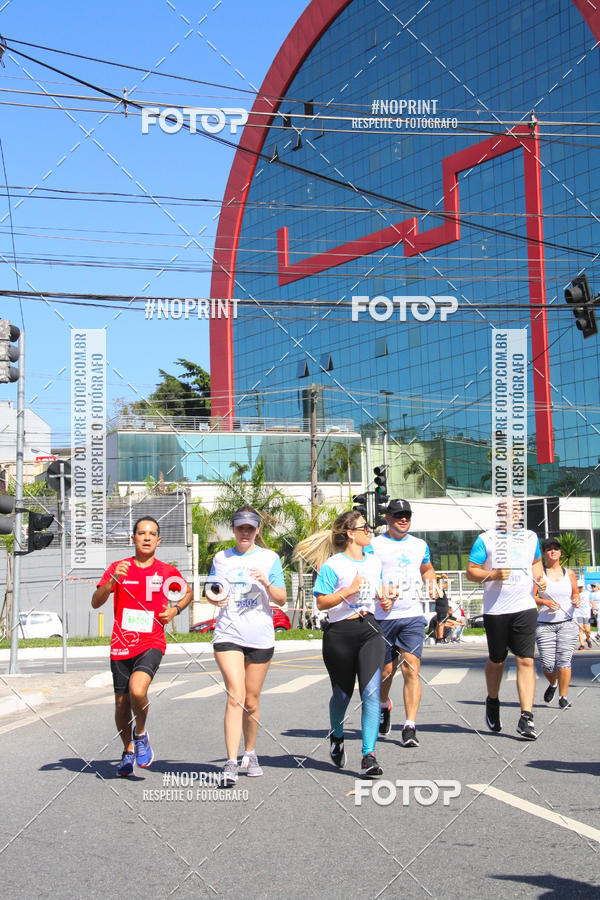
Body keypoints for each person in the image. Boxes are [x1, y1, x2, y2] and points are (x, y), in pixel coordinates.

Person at [92, 516, 192, 776]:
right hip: (121, 644)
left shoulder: (167, 571)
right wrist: (113, 580)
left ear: (159, 540)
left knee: (138, 690)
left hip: (151, 641)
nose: (146, 537)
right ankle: (128, 751)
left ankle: (141, 733)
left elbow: (188, 592)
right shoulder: (119, 567)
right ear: (133, 538)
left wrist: (174, 610)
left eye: (152, 534)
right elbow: (96, 601)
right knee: (121, 704)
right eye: (141, 533)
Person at [294, 510, 385, 777]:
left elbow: (376, 593)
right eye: (364, 527)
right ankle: (337, 735)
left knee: (370, 693)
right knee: (342, 695)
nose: (369, 531)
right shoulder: (334, 565)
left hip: (370, 629)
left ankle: (368, 755)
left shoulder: (374, 562)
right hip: (339, 634)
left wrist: (386, 599)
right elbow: (322, 602)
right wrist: (349, 590)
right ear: (350, 534)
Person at [207, 506, 286, 786]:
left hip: (260, 636)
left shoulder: (269, 558)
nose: (245, 532)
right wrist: (216, 599)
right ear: (234, 529)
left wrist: (265, 582)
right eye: (240, 527)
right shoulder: (221, 558)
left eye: (250, 528)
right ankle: (230, 762)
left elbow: (281, 599)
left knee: (251, 700)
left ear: (257, 530)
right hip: (228, 633)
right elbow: (212, 591)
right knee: (236, 694)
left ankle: (250, 752)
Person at [466, 498, 546, 740]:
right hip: (496, 610)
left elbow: (536, 562)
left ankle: (526, 717)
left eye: (516, 510)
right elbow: (471, 571)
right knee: (497, 661)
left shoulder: (531, 537)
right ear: (499, 514)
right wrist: (493, 574)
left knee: (526, 661)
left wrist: (539, 578)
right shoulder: (486, 539)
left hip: (525, 607)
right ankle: (492, 700)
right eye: (507, 510)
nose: (512, 514)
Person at [371, 499, 437, 748]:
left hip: (411, 615)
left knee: (411, 668)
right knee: (387, 672)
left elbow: (427, 568)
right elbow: (366, 575)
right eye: (398, 514)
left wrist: (431, 583)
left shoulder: (420, 545)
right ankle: (384, 705)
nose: (404, 518)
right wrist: (381, 595)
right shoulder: (375, 545)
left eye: (407, 514)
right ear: (387, 518)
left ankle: (410, 725)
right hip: (383, 617)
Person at [535, 537, 580, 709]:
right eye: (549, 549)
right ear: (544, 554)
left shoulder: (569, 573)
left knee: (564, 661)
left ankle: (563, 696)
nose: (553, 551)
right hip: (545, 624)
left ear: (560, 553)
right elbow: (531, 596)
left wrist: (576, 600)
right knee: (547, 664)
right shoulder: (539, 575)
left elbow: (575, 593)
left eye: (556, 548)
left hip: (567, 622)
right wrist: (545, 602)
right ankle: (553, 684)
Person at [575, 580, 597, 650]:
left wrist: (594, 609)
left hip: (586, 613)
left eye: (581, 587)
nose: (580, 588)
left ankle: (588, 639)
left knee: (587, 630)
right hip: (578, 613)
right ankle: (582, 645)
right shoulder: (575, 593)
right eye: (578, 587)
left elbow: (592, 602)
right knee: (580, 629)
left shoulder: (588, 593)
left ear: (583, 586)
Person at [434, 574, 451, 643]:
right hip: (442, 607)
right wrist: (446, 577)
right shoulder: (438, 587)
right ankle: (440, 638)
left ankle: (438, 638)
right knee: (442, 623)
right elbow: (449, 583)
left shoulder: (434, 587)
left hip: (439, 606)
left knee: (439, 623)